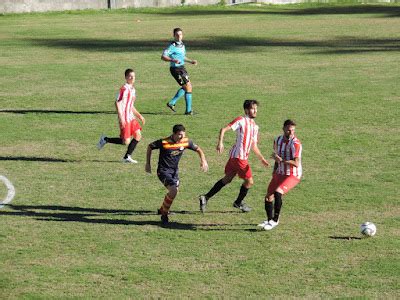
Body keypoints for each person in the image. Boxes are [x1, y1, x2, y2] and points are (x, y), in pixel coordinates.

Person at [199, 100, 269, 213]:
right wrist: (220, 142)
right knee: (249, 182)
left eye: (256, 109)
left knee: (227, 179)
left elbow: (253, 146)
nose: (255, 111)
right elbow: (224, 129)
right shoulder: (241, 120)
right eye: (252, 108)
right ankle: (238, 202)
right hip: (238, 158)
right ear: (246, 110)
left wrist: (261, 158)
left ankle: (205, 197)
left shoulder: (255, 127)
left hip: (236, 157)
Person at [146, 124, 208, 225]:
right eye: (179, 135)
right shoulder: (164, 142)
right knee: (173, 191)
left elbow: (198, 149)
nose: (182, 137)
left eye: (183, 135)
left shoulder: (185, 142)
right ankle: (164, 214)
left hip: (174, 172)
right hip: (163, 171)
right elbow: (150, 147)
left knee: (174, 192)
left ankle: (162, 209)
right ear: (174, 134)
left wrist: (203, 160)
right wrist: (148, 164)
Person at [258, 119, 302, 230]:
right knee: (268, 196)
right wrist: (275, 171)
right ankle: (269, 220)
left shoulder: (296, 144)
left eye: (293, 130)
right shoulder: (277, 140)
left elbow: (296, 163)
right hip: (280, 172)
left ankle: (275, 220)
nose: (291, 133)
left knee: (278, 193)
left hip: (292, 174)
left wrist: (281, 160)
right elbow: (277, 158)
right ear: (283, 129)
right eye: (288, 130)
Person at [97, 68, 145, 163]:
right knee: (125, 142)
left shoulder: (133, 89)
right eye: (130, 76)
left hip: (131, 117)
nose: (132, 78)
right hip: (125, 118)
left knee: (138, 135)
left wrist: (139, 116)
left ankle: (127, 157)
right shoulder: (124, 89)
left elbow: (131, 106)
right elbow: (117, 103)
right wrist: (121, 118)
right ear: (126, 77)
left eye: (133, 76)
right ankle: (106, 139)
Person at [162, 27, 197, 115]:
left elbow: (182, 57)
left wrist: (190, 61)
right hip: (176, 69)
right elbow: (163, 56)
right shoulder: (171, 46)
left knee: (187, 87)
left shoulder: (182, 45)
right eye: (177, 35)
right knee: (188, 87)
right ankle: (188, 111)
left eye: (180, 34)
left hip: (182, 68)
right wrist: (173, 60)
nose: (179, 36)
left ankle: (172, 103)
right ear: (174, 36)